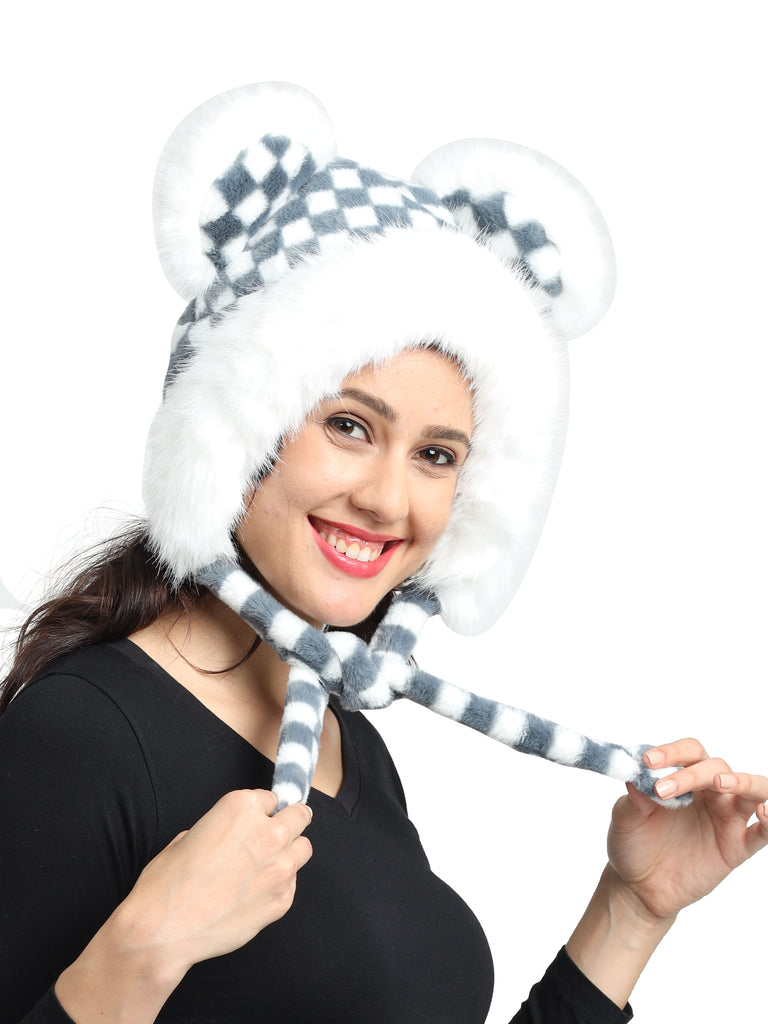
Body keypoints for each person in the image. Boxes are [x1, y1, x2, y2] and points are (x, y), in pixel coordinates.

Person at [1, 82, 765, 1024]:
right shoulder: (82, 735)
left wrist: (634, 907)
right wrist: (140, 953)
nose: (389, 499)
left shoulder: (347, 743)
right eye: (350, 426)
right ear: (237, 430)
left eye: (436, 455)